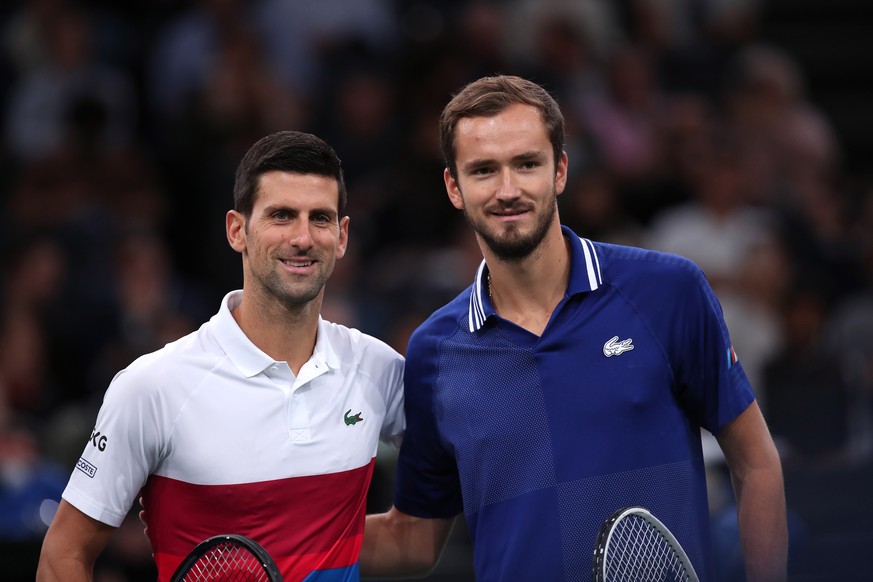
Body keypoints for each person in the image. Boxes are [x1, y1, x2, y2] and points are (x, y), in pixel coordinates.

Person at [360, 75, 787, 581]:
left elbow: (756, 463)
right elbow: (412, 539)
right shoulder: (433, 351)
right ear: (454, 187)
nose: (507, 190)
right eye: (483, 170)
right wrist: (283, 532)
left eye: (526, 164)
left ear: (560, 169)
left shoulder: (668, 290)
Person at [36, 130, 405, 582]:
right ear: (237, 230)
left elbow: (434, 516)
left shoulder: (380, 369)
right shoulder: (152, 386)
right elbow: (62, 556)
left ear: (342, 236)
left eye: (321, 218)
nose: (303, 237)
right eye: (282, 216)